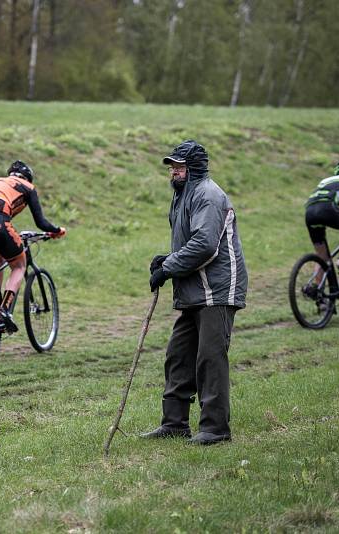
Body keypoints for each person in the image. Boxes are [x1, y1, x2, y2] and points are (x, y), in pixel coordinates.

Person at [143, 140, 248, 445]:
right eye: (172, 167)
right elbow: (191, 241)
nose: (173, 172)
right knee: (178, 355)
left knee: (209, 358)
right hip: (194, 290)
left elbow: (204, 245)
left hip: (217, 289)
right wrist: (166, 258)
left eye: (178, 167)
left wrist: (169, 267)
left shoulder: (208, 195)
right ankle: (174, 424)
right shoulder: (183, 196)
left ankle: (215, 429)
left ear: (194, 168)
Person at [0, 160, 66, 333]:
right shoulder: (27, 186)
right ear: (28, 177)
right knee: (19, 265)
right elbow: (41, 222)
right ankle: (3, 310)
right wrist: (57, 230)